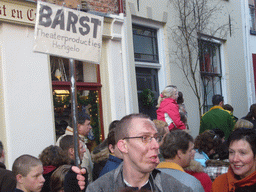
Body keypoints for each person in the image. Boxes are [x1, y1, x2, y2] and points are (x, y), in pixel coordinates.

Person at [86, 113, 193, 191]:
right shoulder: (99, 189)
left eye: (156, 138)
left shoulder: (176, 188)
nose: (156, 145)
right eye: (144, 138)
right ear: (123, 146)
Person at [56, 113, 93, 182]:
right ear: (78, 127)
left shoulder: (78, 139)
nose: (90, 127)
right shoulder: (71, 141)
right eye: (88, 124)